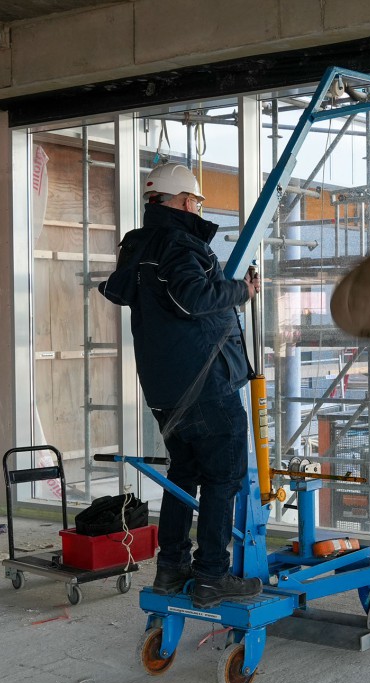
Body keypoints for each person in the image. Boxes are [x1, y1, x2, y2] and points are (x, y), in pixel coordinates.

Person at [99, 162, 262, 608]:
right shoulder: (178, 243)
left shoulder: (140, 246)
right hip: (204, 386)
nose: (197, 206)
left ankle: (171, 569)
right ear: (186, 201)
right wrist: (240, 292)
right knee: (223, 478)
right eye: (195, 199)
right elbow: (193, 298)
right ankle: (212, 575)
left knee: (183, 476)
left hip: (165, 389)